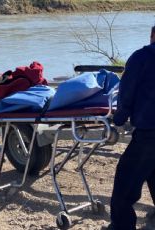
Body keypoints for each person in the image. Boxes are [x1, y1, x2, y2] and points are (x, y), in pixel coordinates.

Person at [103, 25, 155, 230]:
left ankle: (121, 226)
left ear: (152, 35)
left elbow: (127, 92)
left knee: (126, 181)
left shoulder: (141, 58)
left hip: (150, 132)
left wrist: (119, 118)